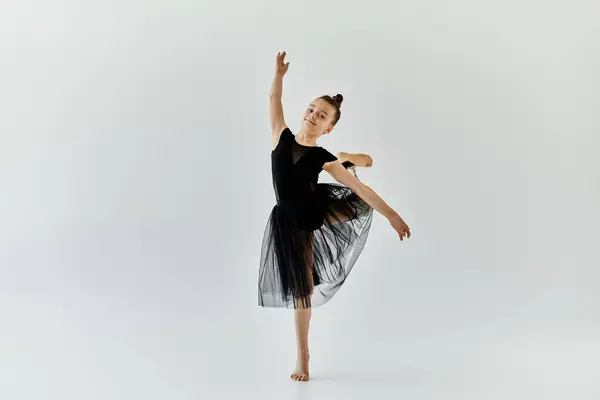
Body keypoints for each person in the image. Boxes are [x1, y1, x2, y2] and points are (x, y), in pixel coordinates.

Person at [258, 51, 411, 382]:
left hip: (317, 209)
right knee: (301, 290)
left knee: (359, 199)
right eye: (312, 109)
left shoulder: (321, 156)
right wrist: (279, 75)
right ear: (305, 112)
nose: (314, 114)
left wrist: (393, 216)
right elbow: (273, 97)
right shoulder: (279, 136)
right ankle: (303, 353)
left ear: (328, 128)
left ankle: (348, 159)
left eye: (322, 115)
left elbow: (362, 191)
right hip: (290, 222)